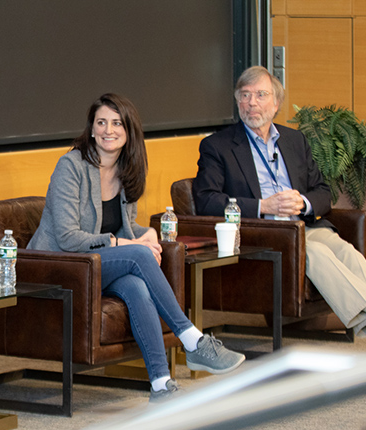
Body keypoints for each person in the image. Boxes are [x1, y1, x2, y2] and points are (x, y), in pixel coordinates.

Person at [27, 93, 245, 401]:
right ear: (91, 129)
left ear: (129, 131)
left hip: (95, 264)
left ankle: (160, 384)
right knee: (138, 256)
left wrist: (148, 234)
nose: (108, 130)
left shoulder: (126, 169)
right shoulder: (71, 166)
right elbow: (67, 237)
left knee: (136, 287)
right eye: (101, 122)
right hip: (59, 266)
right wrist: (125, 243)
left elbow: (121, 225)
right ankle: (193, 340)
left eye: (117, 123)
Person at [193, 65, 366, 337]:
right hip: (263, 233)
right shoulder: (218, 146)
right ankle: (362, 321)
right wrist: (264, 207)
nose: (251, 103)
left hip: (302, 226)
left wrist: (303, 204)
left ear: (276, 103)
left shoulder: (295, 140)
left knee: (343, 250)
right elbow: (206, 200)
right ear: (238, 101)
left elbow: (322, 192)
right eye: (245, 95)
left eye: (261, 95)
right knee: (315, 253)